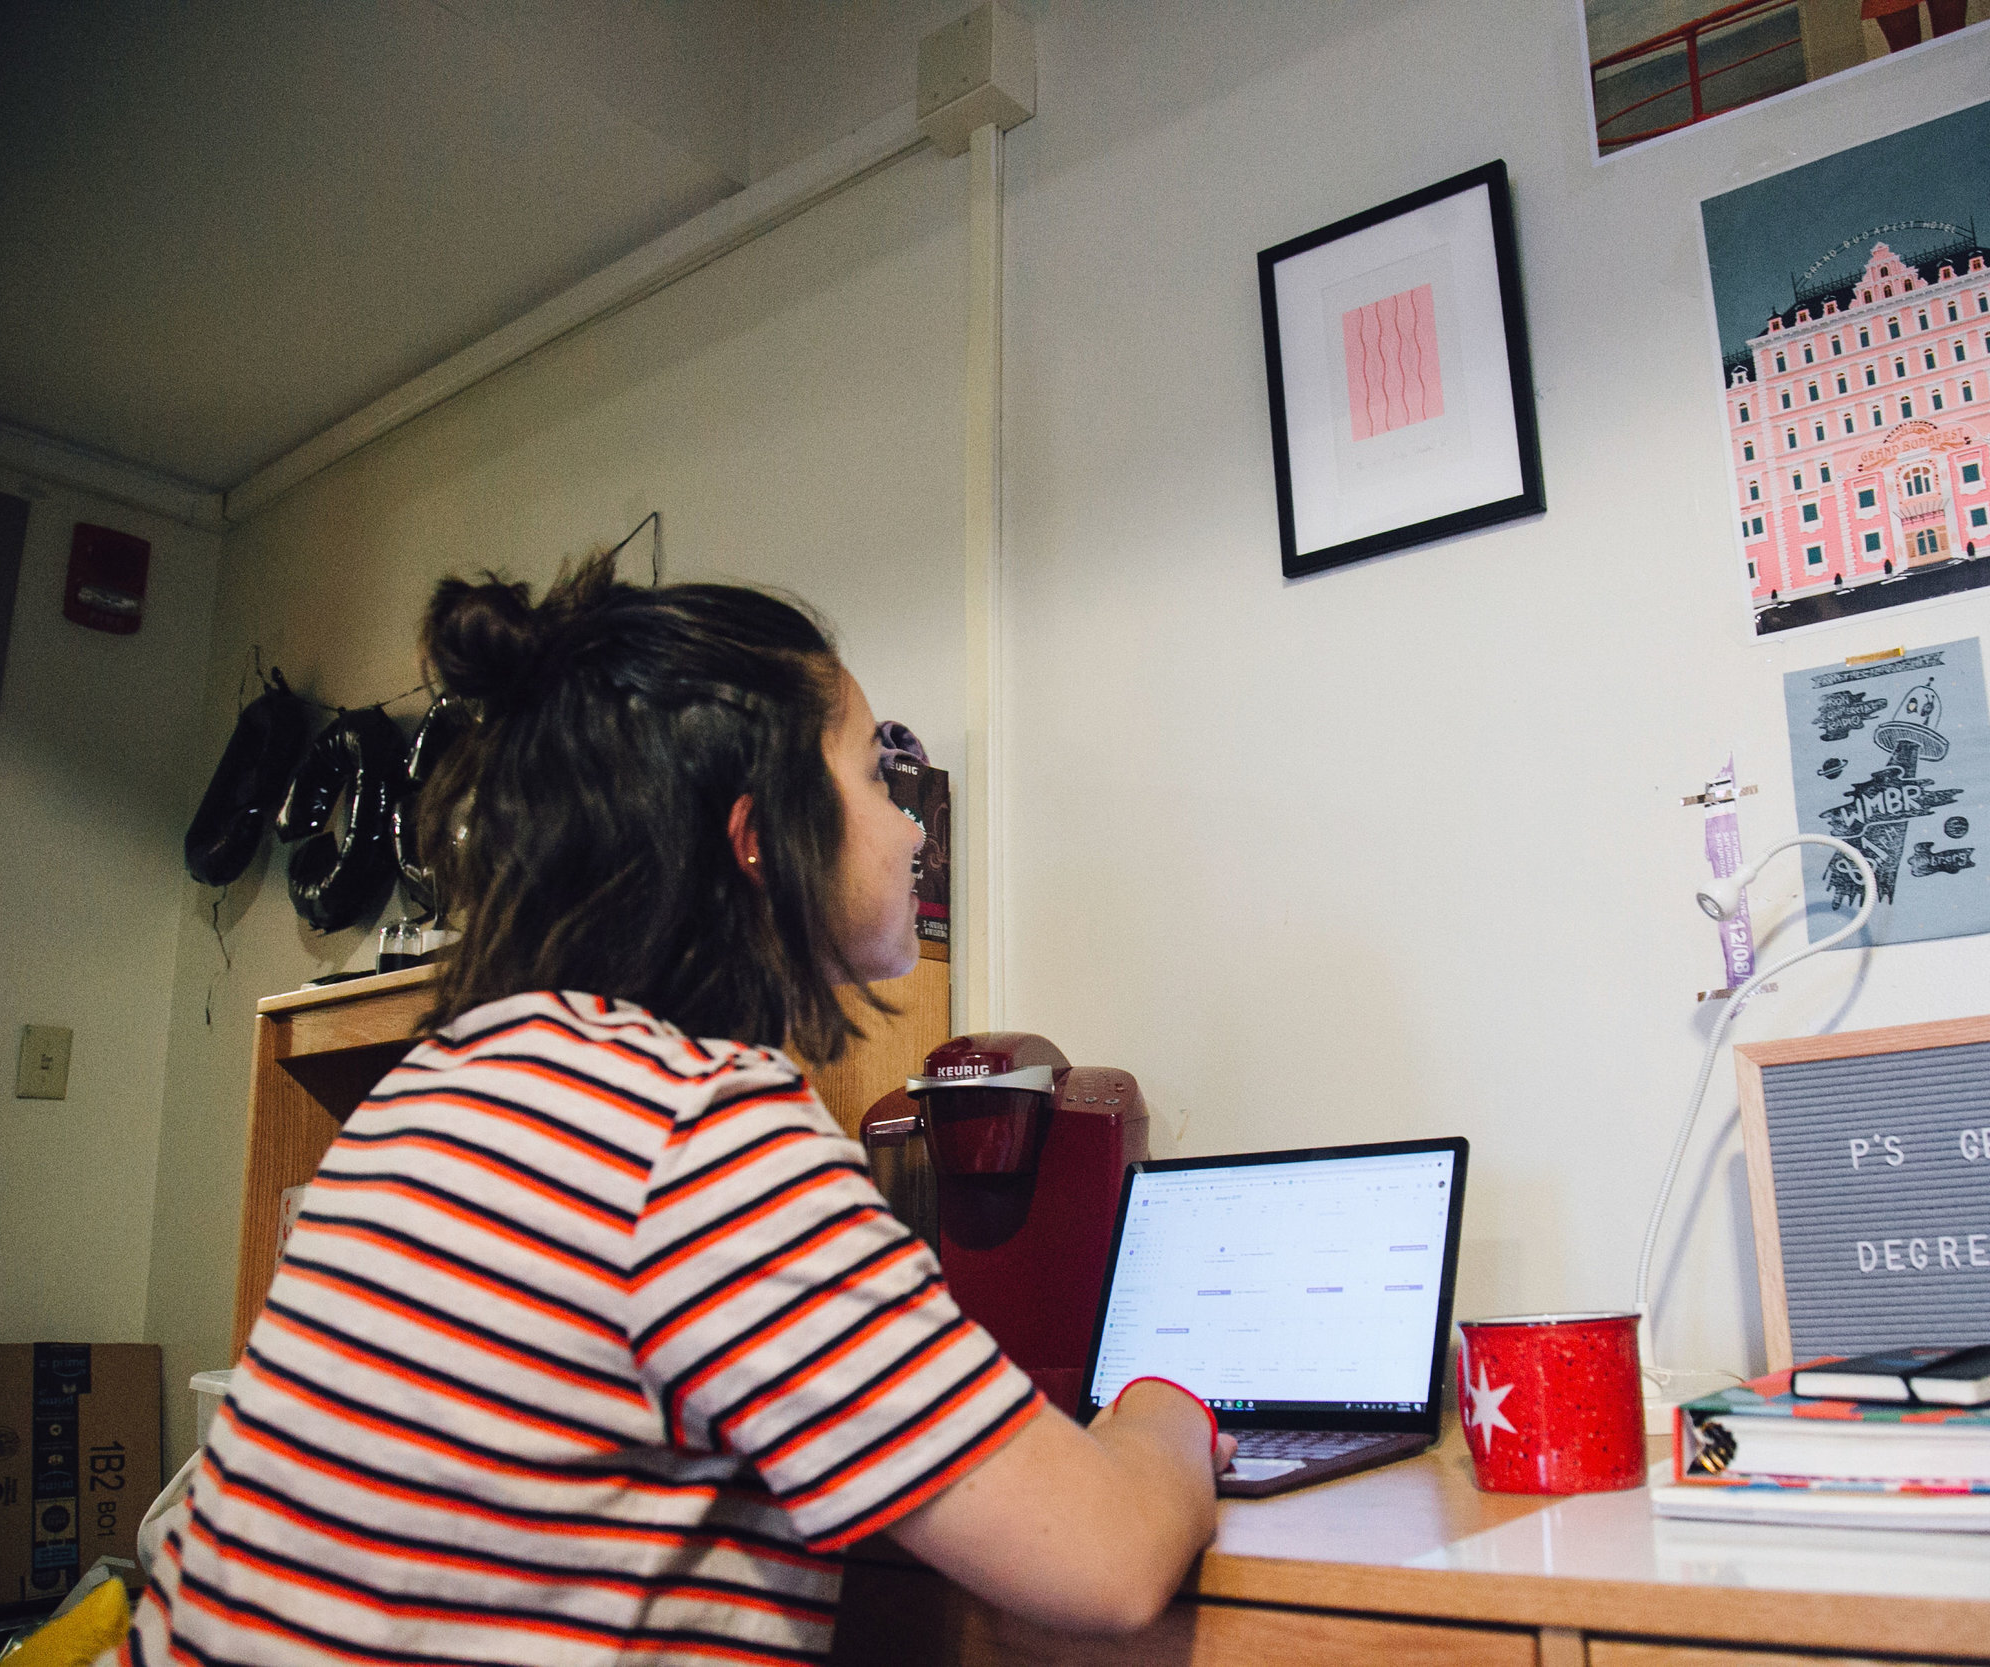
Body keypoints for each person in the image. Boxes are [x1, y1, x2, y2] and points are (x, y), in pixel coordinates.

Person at [130, 554, 1233, 1666]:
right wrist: (1160, 1409)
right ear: (757, 837)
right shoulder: (696, 1130)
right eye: (870, 777)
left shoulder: (439, 1083)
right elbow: (1104, 1558)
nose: (908, 828)